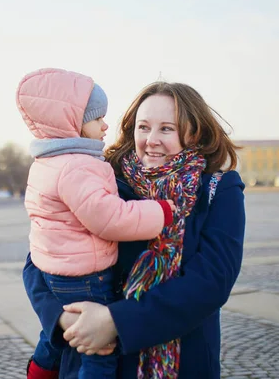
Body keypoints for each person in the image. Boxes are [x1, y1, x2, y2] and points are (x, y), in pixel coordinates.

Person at [23, 81, 246, 378]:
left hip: (180, 363)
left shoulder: (218, 188)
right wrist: (62, 320)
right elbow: (41, 258)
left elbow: (212, 281)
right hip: (88, 355)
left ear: (194, 132)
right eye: (143, 127)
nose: (151, 139)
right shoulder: (101, 178)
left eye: (167, 128)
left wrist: (115, 321)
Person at [18, 68, 175, 379]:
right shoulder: (78, 167)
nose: (105, 125)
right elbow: (110, 218)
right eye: (96, 119)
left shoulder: (47, 162)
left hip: (55, 272)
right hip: (86, 277)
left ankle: (41, 368)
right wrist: (161, 212)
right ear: (73, 124)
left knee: (64, 334)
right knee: (100, 350)